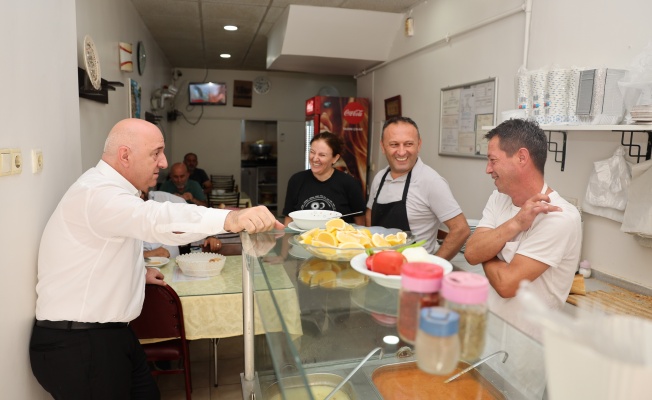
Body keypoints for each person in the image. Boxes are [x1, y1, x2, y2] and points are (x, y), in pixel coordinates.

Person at [29, 118, 283, 400]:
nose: (163, 162)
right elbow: (157, 219)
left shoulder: (107, 192)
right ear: (125, 155)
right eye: (156, 153)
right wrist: (231, 218)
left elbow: (104, 249)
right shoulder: (98, 194)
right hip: (80, 343)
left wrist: (136, 272)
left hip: (108, 336)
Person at [463, 118, 582, 340]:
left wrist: (487, 252)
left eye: (493, 160)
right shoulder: (499, 197)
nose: (488, 169)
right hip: (489, 331)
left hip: (524, 349)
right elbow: (471, 253)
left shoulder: (559, 217)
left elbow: (506, 285)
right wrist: (515, 224)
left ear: (521, 157)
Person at [365, 116, 470, 259]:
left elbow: (461, 229)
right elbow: (370, 213)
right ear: (383, 147)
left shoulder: (431, 181)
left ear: (419, 145)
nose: (401, 152)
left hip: (413, 272)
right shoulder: (380, 178)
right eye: (394, 145)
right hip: (378, 264)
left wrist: (432, 265)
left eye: (408, 144)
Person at [283, 132, 366, 226]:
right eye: (312, 152)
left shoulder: (350, 184)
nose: (314, 159)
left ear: (335, 158)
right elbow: (289, 219)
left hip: (336, 240)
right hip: (301, 240)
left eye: (322, 155)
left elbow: (360, 222)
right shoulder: (296, 180)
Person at [140, 189, 222, 258]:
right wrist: (150, 254)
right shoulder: (129, 211)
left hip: (172, 263)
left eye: (142, 192)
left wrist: (210, 236)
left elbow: (194, 220)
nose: (141, 195)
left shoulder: (167, 199)